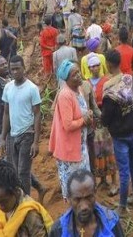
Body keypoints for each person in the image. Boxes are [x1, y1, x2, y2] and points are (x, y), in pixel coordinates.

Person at [101, 50, 133, 214]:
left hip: (119, 135)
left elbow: (105, 118)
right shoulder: (130, 79)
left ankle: (122, 206)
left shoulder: (108, 88)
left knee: (123, 171)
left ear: (109, 65)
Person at [0, 56, 42, 197]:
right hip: (13, 134)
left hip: (27, 134)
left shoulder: (32, 88)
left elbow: (37, 114)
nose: (15, 72)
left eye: (18, 68)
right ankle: (39, 188)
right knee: (15, 169)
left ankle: (26, 203)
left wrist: (36, 142)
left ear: (24, 68)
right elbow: (6, 113)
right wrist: (3, 137)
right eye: (12, 69)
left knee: (23, 172)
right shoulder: (8, 88)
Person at [50, 60, 93, 199]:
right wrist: (84, 120)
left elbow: (82, 112)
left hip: (80, 146)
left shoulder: (78, 90)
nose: (79, 76)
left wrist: (88, 116)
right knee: (75, 190)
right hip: (70, 150)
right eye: (74, 75)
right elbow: (68, 125)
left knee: (83, 186)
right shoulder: (65, 95)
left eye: (78, 72)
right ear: (67, 79)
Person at [48, 169, 124, 237]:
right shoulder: (59, 231)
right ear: (69, 199)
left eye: (88, 197)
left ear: (95, 193)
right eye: (77, 199)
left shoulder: (111, 223)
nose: (84, 206)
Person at [0, 160, 53, 237]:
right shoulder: (0, 207)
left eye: (4, 202)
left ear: (16, 192)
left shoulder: (30, 214)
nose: (0, 206)